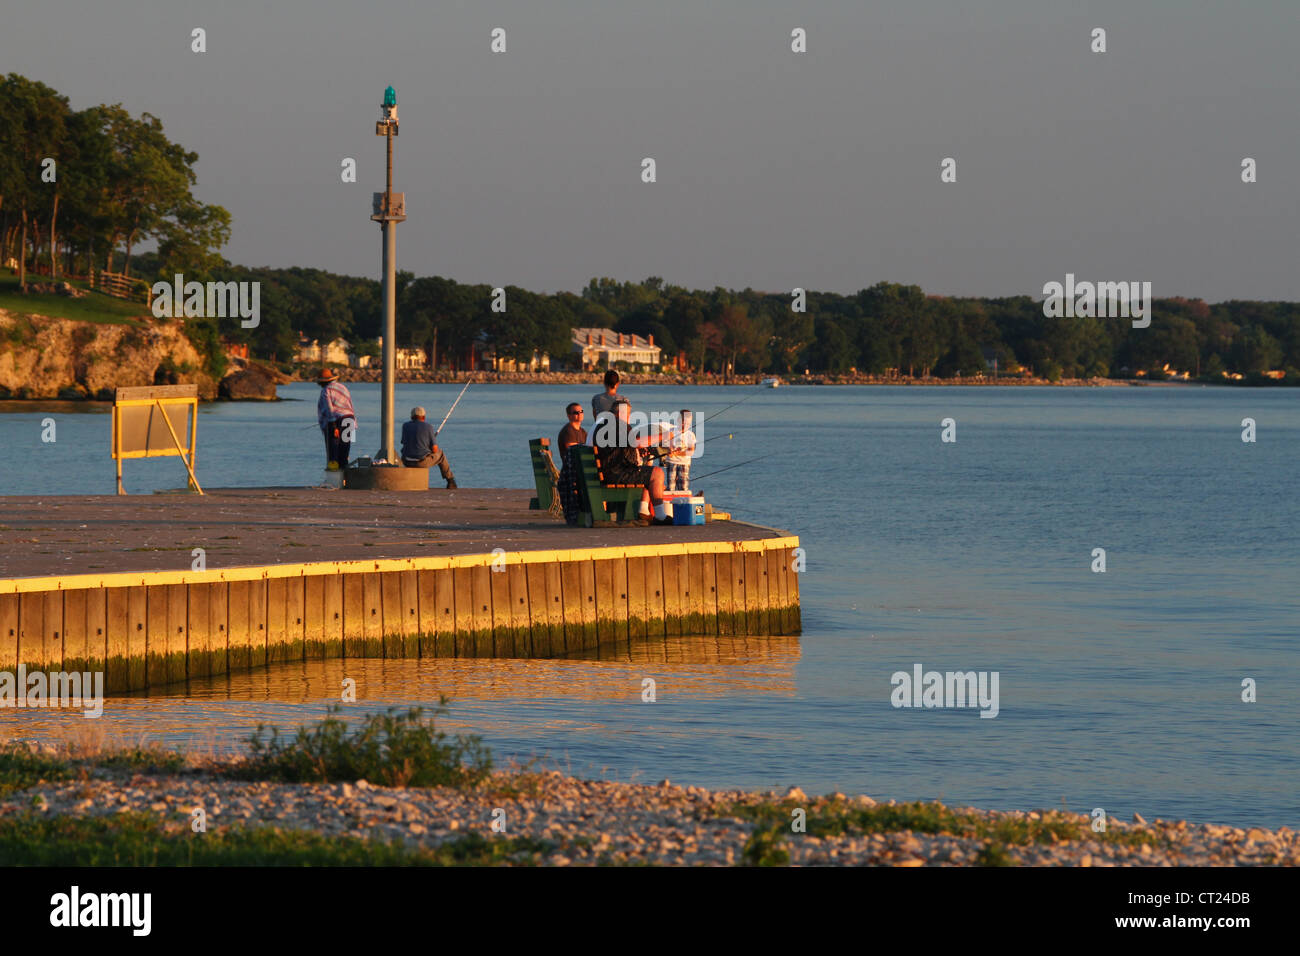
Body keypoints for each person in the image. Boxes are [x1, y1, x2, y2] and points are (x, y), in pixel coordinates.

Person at [595, 396, 670, 526]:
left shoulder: (604, 425)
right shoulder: (619, 425)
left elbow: (621, 447)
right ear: (620, 413)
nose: (629, 417)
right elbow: (636, 441)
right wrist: (664, 436)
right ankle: (660, 516)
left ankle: (643, 510)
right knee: (657, 473)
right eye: (628, 414)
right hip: (616, 474)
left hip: (608, 472)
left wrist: (639, 451)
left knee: (648, 471)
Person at [400, 406, 458, 488]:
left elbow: (404, 442)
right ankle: (450, 480)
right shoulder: (428, 427)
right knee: (441, 454)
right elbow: (434, 449)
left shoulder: (405, 426)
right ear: (424, 417)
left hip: (406, 461)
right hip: (421, 462)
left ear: (411, 417)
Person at [316, 368, 356, 470]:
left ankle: (333, 479)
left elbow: (329, 410)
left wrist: (334, 427)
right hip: (350, 420)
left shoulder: (326, 390)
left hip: (336, 421)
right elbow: (350, 405)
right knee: (345, 451)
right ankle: (345, 478)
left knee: (333, 453)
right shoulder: (343, 387)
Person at [555, 403, 587, 525]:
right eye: (575, 412)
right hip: (572, 471)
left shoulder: (582, 431)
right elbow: (571, 449)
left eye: (581, 411)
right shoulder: (568, 431)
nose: (579, 414)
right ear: (569, 415)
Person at [665, 409, 696, 492]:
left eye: (688, 423)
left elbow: (691, 451)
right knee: (671, 485)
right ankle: (670, 501)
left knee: (683, 485)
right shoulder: (671, 431)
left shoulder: (690, 435)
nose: (685, 425)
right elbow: (668, 446)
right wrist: (670, 450)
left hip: (684, 463)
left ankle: (682, 501)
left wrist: (679, 452)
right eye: (683, 422)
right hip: (672, 461)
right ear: (678, 420)